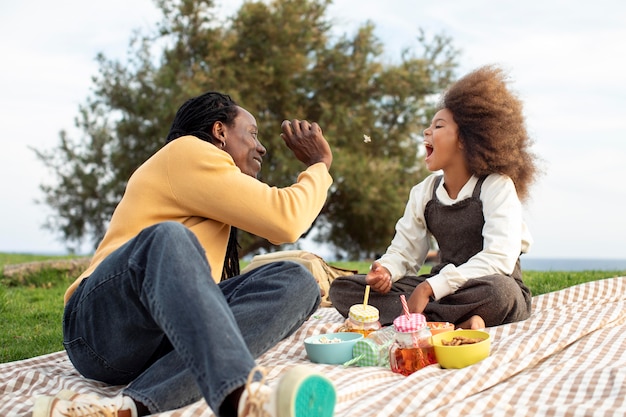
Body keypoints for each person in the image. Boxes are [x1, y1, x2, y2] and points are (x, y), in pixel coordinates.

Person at [33, 92, 336, 417]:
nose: (261, 147)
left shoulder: (212, 186)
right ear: (219, 132)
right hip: (100, 327)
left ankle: (127, 407)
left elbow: (283, 227)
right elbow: (285, 220)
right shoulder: (188, 151)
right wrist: (319, 165)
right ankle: (240, 397)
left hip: (162, 341)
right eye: (252, 133)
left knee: (295, 281)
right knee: (169, 238)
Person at [329, 65, 539, 330]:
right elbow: (405, 251)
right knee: (343, 289)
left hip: (487, 285)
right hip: (443, 292)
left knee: (501, 294)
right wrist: (386, 271)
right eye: (429, 126)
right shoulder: (424, 192)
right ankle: (456, 320)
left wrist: (430, 287)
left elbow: (498, 259)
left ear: (465, 140)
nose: (427, 132)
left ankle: (417, 316)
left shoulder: (496, 186)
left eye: (438, 126)